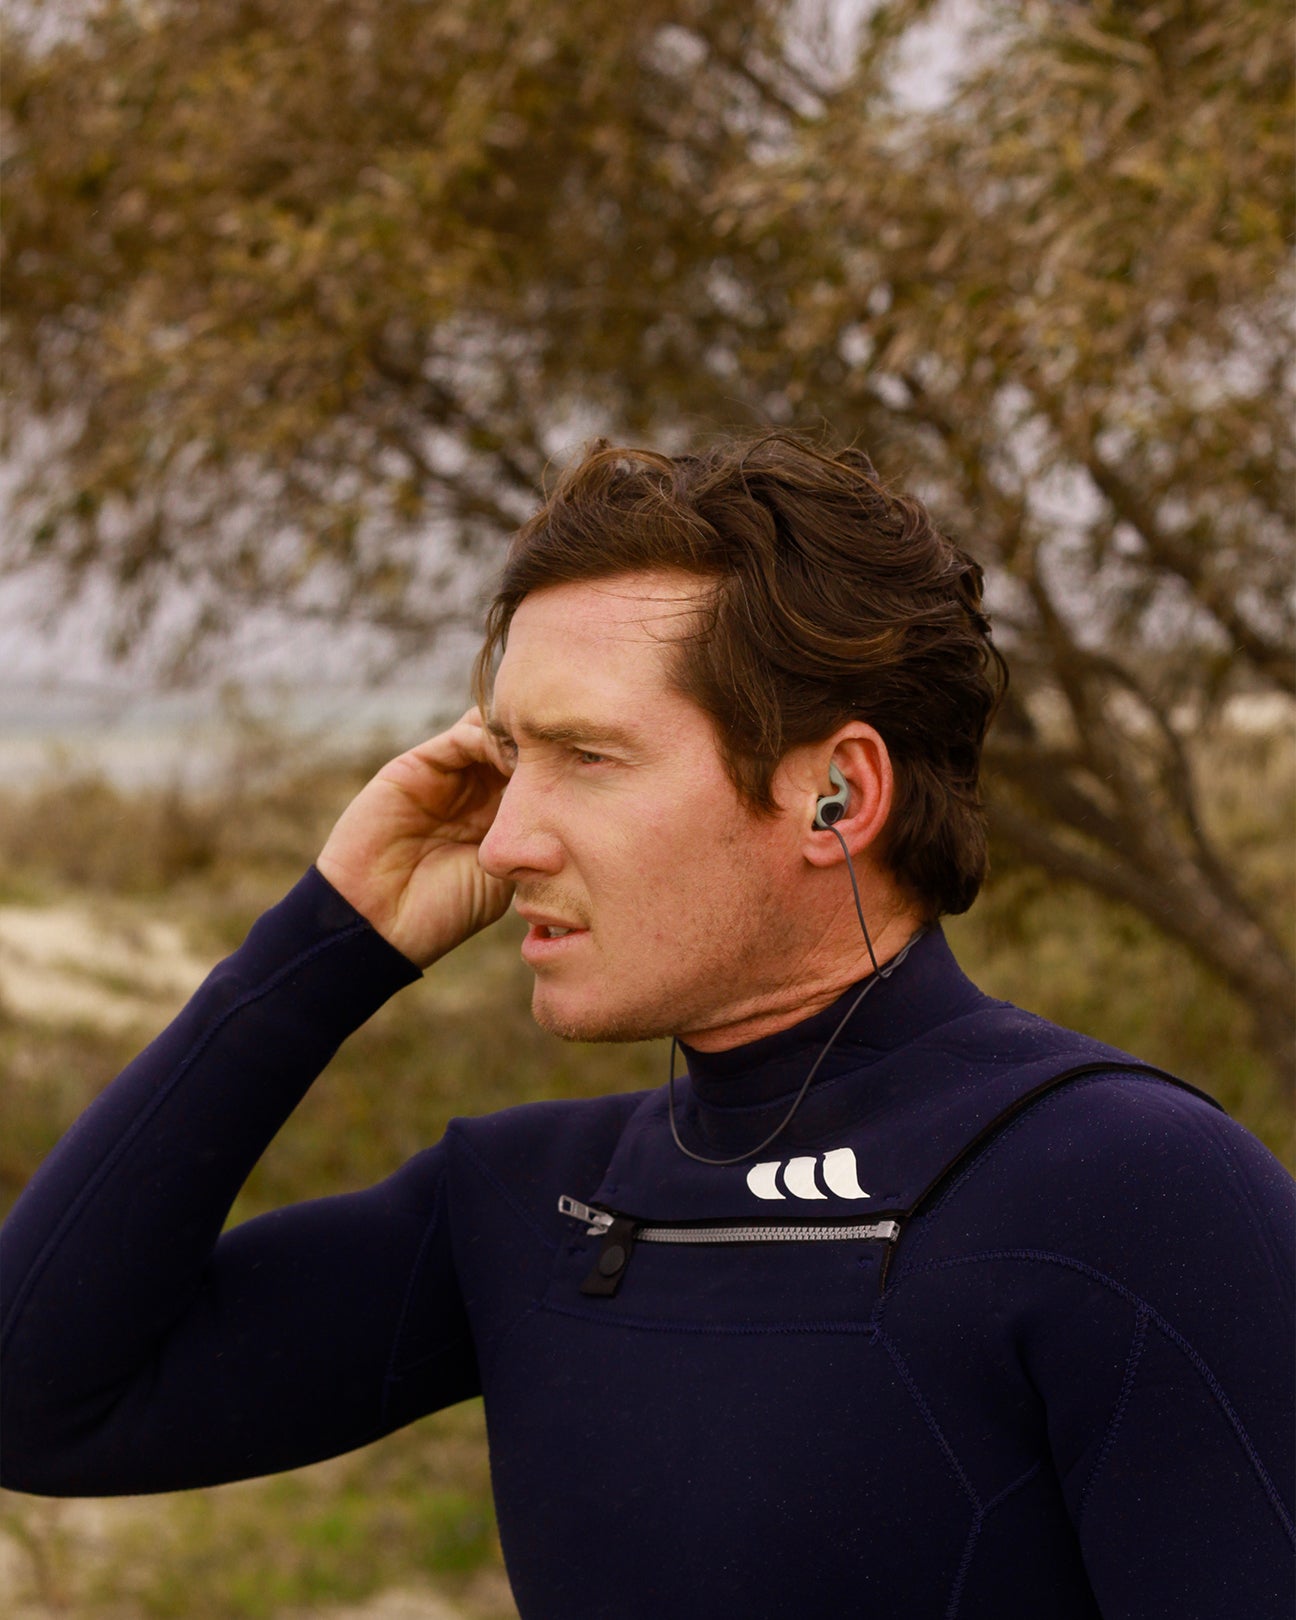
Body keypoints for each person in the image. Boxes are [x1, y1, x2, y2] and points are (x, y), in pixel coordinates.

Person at [1, 436, 1292, 1619]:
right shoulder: (532, 1206)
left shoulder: (1129, 1192)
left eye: (588, 757)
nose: (505, 840)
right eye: (511, 757)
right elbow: (39, 1401)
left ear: (837, 795)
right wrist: (325, 944)